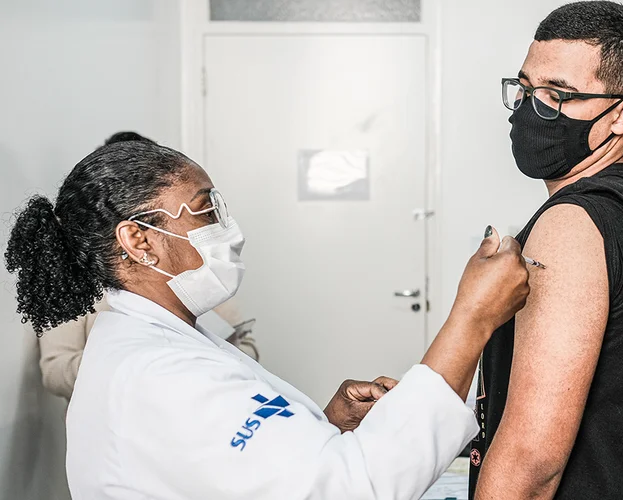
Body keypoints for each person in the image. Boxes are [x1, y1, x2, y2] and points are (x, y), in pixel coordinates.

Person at [4, 140, 530, 499]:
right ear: (139, 240)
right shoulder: (154, 372)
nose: (228, 228)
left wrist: (321, 425)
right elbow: (349, 490)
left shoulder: (170, 334)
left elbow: (232, 468)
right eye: (206, 210)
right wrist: (473, 317)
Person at [469, 2, 623, 499]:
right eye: (525, 88)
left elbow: (532, 462)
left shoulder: (570, 225)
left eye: (557, 95)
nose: (530, 109)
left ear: (621, 115)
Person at [37, 131, 258, 402]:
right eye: (205, 213)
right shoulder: (130, 346)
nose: (222, 227)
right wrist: (141, 366)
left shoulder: (201, 281)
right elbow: (56, 369)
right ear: (136, 237)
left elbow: (244, 347)